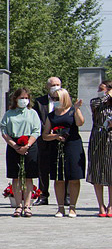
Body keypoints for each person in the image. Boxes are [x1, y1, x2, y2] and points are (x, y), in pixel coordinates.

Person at [41, 88, 86, 218]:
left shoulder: (72, 111)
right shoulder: (51, 115)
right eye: (53, 99)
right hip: (56, 147)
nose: (55, 101)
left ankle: (73, 207)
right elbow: (45, 135)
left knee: (74, 178)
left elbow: (80, 123)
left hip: (73, 145)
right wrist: (54, 136)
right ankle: (60, 208)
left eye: (57, 99)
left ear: (64, 98)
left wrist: (77, 109)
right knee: (58, 178)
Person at [1, 88, 41, 217]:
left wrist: (27, 145)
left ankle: (28, 205)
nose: (24, 100)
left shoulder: (32, 113)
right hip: (14, 144)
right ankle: (18, 205)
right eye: (21, 98)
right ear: (15, 99)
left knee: (28, 177)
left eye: (26, 98)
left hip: (29, 144)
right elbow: (4, 130)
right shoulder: (9, 113)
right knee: (16, 177)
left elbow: (36, 130)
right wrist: (14, 145)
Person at [33, 76, 62, 206]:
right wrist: (46, 130)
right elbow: (36, 118)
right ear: (47, 87)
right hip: (43, 139)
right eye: (52, 85)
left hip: (60, 139)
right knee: (42, 168)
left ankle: (65, 196)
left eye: (57, 84)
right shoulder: (40, 102)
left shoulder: (65, 100)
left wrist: (58, 132)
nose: (55, 87)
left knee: (61, 167)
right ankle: (43, 195)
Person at [87, 80, 112, 217]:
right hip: (98, 136)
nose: (101, 91)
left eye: (103, 89)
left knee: (110, 171)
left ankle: (110, 206)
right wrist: (107, 95)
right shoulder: (96, 102)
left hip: (111, 137)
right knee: (97, 170)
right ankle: (100, 205)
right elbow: (95, 105)